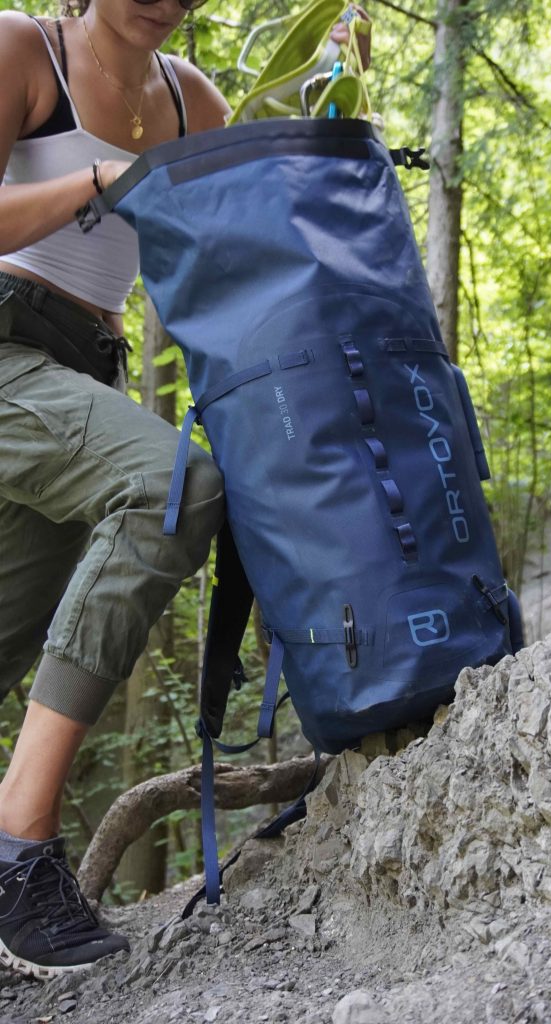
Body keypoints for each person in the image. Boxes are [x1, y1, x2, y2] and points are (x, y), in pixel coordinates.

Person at [0, 0, 370, 979]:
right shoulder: (23, 47)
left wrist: (330, 99)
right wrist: (97, 180)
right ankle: (18, 851)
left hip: (81, 375)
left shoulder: (188, 98)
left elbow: (248, 242)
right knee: (171, 489)